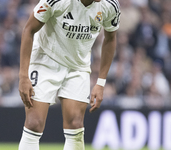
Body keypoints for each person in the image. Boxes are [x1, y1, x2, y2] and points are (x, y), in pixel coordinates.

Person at [18, 0, 120, 149]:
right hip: (45, 60)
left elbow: (110, 39)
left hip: (77, 67)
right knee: (34, 123)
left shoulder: (110, 4)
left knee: (75, 125)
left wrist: (100, 83)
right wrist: (23, 76)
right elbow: (28, 29)